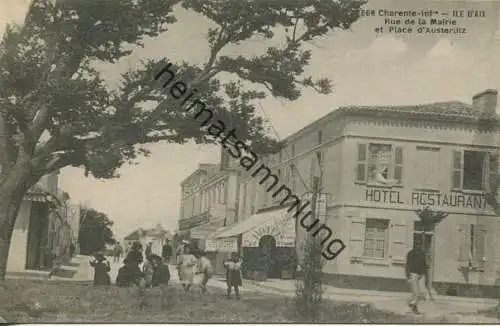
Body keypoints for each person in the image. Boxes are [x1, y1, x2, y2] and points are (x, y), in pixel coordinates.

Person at [405, 245, 429, 315]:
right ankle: (414, 306)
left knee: (421, 292)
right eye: (416, 245)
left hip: (421, 274)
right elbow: (408, 265)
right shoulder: (410, 253)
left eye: (419, 245)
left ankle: (414, 305)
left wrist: (426, 276)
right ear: (414, 246)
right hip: (413, 273)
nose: (418, 246)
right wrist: (408, 275)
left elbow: (425, 265)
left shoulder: (422, 253)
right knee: (415, 291)